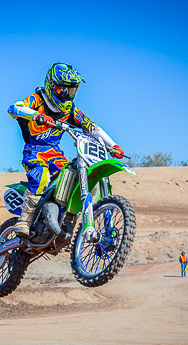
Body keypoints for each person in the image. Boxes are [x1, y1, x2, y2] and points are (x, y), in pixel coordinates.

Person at [7, 62, 125, 237]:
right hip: (34, 151)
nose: (68, 94)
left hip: (55, 154)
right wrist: (36, 115)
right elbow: (14, 108)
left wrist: (112, 145)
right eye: (64, 89)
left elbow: (91, 126)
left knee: (72, 178)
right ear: (53, 86)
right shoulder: (37, 100)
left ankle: (64, 217)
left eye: (72, 90)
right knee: (41, 177)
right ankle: (24, 220)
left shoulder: (69, 110)